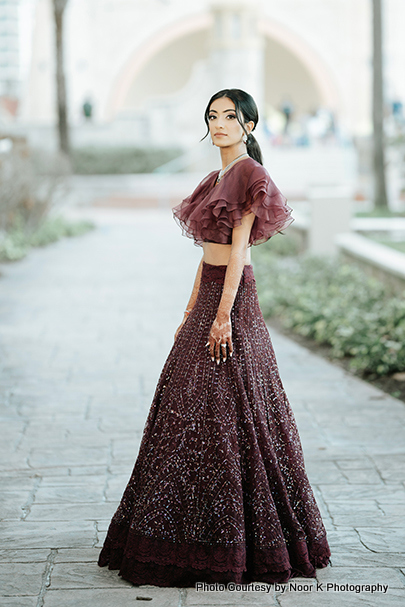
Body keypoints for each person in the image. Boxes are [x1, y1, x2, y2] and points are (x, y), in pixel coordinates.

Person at [98, 88, 331, 587]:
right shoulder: (216, 177)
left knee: (232, 406)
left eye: (229, 116)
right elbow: (206, 255)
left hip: (232, 299)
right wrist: (191, 310)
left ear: (249, 123)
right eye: (212, 116)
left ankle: (242, 539)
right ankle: (191, 527)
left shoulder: (250, 174)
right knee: (189, 405)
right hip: (209, 291)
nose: (219, 123)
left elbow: (240, 252)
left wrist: (223, 315)